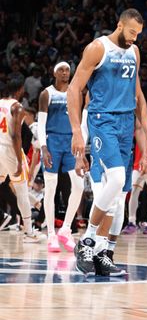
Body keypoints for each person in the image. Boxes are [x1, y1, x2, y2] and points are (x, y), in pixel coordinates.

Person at [69, 9, 147, 276]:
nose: (134, 38)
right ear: (120, 25)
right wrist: (76, 130)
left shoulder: (135, 52)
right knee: (116, 179)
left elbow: (138, 94)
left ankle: (103, 252)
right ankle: (86, 240)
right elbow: (75, 88)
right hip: (102, 119)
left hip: (126, 123)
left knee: (118, 198)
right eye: (131, 32)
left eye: (138, 34)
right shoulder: (98, 48)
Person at [38, 62, 84, 252]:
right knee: (51, 188)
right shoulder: (46, 93)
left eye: (67, 70)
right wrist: (43, 147)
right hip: (52, 142)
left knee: (79, 185)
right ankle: (50, 234)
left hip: (70, 142)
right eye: (61, 70)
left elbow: (79, 122)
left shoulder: (75, 93)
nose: (65, 73)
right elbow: (40, 124)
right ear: (54, 72)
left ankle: (65, 229)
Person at [0, 78, 39, 243]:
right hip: (10, 150)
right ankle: (29, 232)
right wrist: (18, 160)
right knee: (22, 191)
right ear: (21, 90)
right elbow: (16, 135)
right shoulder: (17, 107)